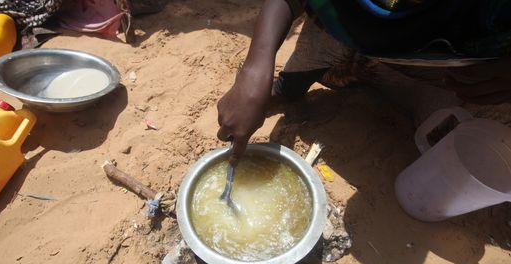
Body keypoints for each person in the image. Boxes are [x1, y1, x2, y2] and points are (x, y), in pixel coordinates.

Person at [216, 0, 511, 165]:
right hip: (349, 27)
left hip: (443, 58)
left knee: (445, 130)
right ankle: (288, 88)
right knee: (307, 63)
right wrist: (255, 68)